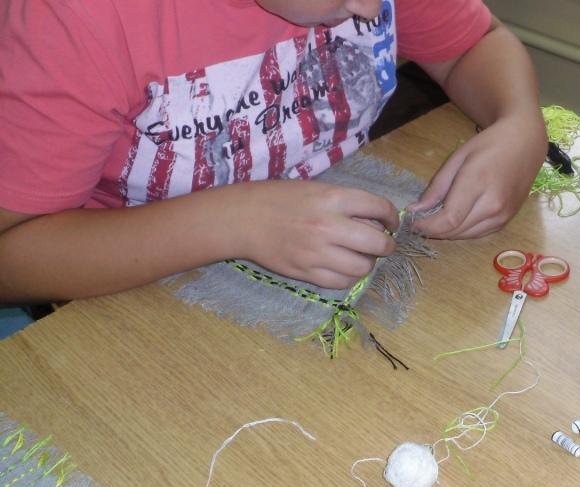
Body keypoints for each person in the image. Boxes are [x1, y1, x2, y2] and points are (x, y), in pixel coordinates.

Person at [0, 0, 546, 301]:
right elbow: (11, 258)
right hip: (121, 293)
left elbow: (474, 44)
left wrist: (519, 120)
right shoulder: (73, 18)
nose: (371, 5)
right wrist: (233, 223)